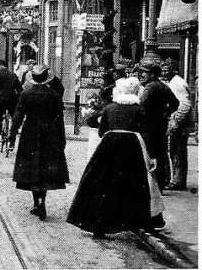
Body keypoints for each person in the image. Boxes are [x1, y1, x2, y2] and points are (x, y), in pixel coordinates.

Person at [67, 77, 166, 237]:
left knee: (103, 184)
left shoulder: (109, 108)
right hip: (133, 147)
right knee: (136, 184)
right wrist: (152, 155)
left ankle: (99, 224)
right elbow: (147, 133)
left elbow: (101, 131)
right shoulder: (140, 109)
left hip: (109, 147)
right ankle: (139, 222)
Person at [8, 64, 70, 221]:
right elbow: (59, 119)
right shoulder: (54, 96)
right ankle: (41, 202)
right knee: (44, 168)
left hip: (30, 132)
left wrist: (12, 136)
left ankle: (37, 202)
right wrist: (61, 139)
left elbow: (17, 117)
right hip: (50, 133)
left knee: (32, 168)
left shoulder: (26, 94)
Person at [138, 60, 179, 191]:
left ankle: (151, 185)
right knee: (161, 154)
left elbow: (142, 105)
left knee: (149, 153)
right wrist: (165, 113)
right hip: (160, 125)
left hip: (148, 126)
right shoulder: (163, 86)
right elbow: (175, 103)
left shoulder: (150, 87)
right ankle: (160, 185)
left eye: (144, 72)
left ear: (152, 74)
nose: (142, 74)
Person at [163, 59, 193, 191]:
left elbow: (185, 105)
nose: (164, 71)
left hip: (180, 124)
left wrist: (177, 121)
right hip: (179, 122)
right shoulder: (174, 82)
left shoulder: (177, 84)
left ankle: (179, 181)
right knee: (176, 151)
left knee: (178, 152)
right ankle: (178, 179)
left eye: (167, 68)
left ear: (173, 69)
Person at [0, 59, 22, 142]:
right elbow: (19, 88)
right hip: (12, 100)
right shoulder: (13, 75)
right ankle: (13, 132)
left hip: (0, 100)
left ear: (1, 65)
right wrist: (18, 98)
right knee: (14, 116)